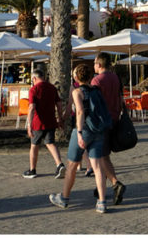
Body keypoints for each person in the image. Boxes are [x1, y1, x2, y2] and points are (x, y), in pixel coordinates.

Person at [49, 64, 110, 213]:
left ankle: (64, 197)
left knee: (72, 165)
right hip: (99, 130)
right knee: (97, 167)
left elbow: (80, 112)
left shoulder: (77, 92)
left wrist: (80, 133)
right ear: (90, 76)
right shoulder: (96, 89)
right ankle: (101, 202)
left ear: (76, 77)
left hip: (85, 130)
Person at [92, 53, 126, 205]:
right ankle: (101, 186)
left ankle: (115, 183)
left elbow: (94, 102)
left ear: (99, 65)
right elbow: (120, 98)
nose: (93, 66)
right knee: (105, 154)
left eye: (94, 63)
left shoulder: (97, 80)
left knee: (101, 156)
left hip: (101, 121)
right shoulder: (115, 78)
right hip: (114, 118)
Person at [23, 67, 65, 179]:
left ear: (34, 78)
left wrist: (29, 124)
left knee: (34, 145)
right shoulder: (52, 88)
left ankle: (32, 169)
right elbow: (59, 104)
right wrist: (60, 118)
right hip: (51, 120)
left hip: (38, 122)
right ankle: (59, 164)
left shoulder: (33, 90)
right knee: (50, 143)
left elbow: (31, 107)